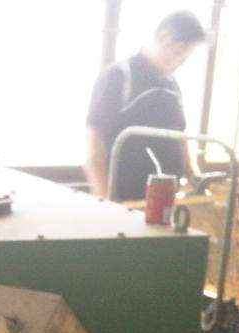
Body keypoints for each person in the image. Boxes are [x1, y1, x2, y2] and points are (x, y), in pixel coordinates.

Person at [84, 10, 207, 201]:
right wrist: (104, 197)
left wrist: (195, 177)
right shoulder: (120, 75)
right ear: (162, 36)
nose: (181, 61)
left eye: (186, 56)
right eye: (178, 53)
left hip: (165, 197)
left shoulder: (172, 84)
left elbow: (180, 136)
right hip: (125, 197)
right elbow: (94, 139)